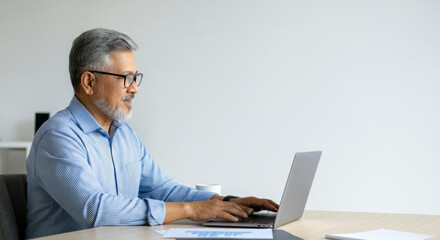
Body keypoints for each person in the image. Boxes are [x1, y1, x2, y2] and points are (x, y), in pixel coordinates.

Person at [26, 28, 279, 239]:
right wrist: (191, 210)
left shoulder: (125, 134)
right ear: (89, 82)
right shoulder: (58, 136)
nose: (135, 89)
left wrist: (225, 202)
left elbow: (163, 190)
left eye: (135, 77)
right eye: (126, 78)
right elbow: (96, 211)